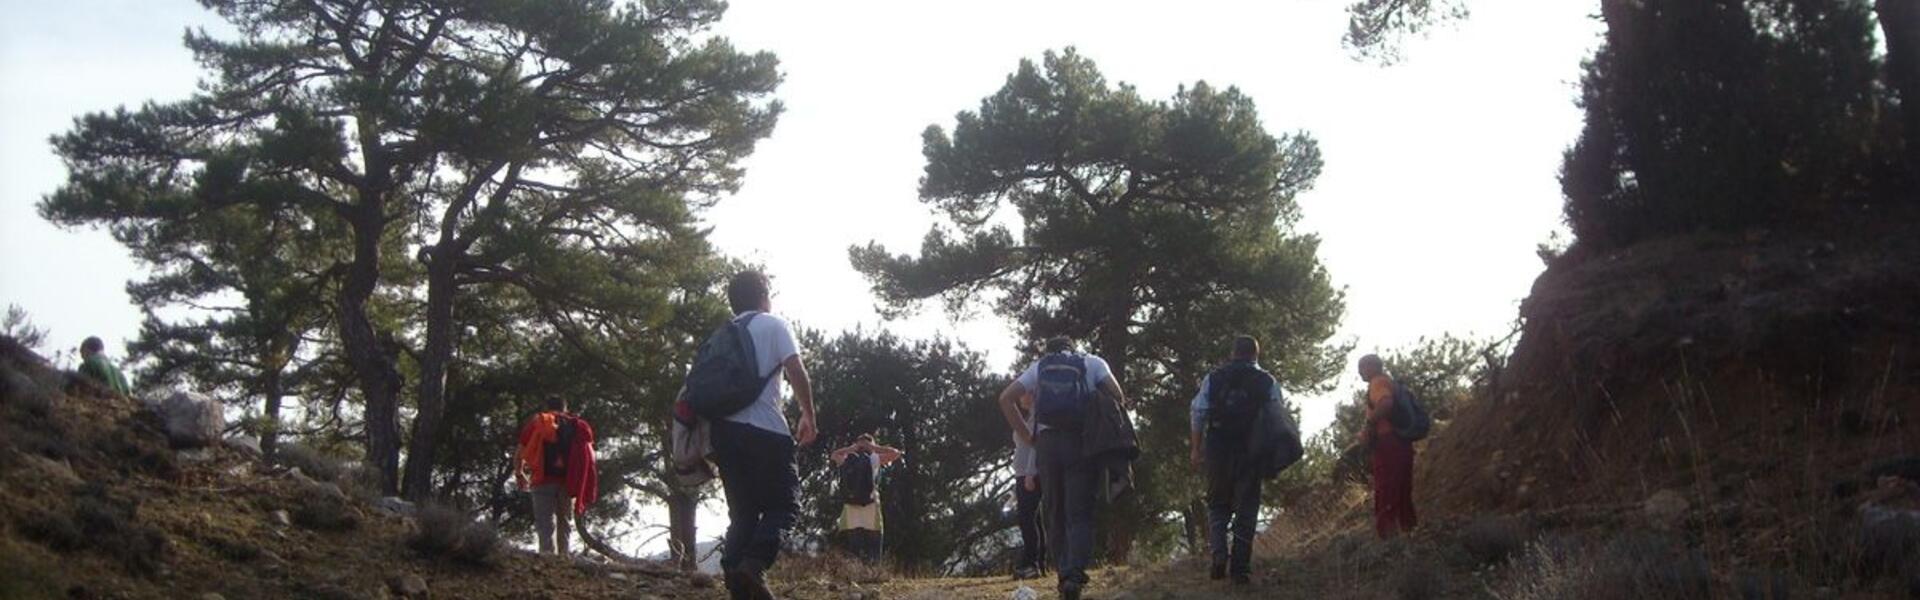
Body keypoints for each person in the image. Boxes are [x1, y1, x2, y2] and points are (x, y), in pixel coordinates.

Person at [709, 270, 817, 600]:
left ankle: (735, 576)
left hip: (723, 432)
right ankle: (753, 566)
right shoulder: (773, 324)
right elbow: (796, 369)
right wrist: (808, 415)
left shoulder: (720, 334)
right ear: (764, 296)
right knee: (784, 507)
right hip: (766, 429)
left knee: (742, 512)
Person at [996, 336, 1129, 600]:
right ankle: (1073, 576)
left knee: (1054, 512)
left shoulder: (1040, 367)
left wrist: (1027, 437)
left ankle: (1062, 576)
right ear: (1072, 348)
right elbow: (1118, 396)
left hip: (1047, 445)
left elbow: (1005, 398)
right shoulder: (1092, 363)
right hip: (1081, 442)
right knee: (1079, 513)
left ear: (1052, 350)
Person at [1189, 336, 1283, 584]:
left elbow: (1198, 412)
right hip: (1252, 449)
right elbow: (1277, 417)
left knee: (1217, 503)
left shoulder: (1214, 378)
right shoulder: (1267, 381)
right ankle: (1240, 569)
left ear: (1233, 353)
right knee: (1247, 508)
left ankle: (1219, 554)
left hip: (1218, 447)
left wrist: (1196, 449)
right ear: (1256, 354)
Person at [514, 397, 600, 556]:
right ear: (565, 408)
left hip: (541, 479)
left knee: (545, 522)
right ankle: (564, 557)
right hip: (568, 481)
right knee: (564, 522)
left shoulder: (538, 422)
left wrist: (519, 473)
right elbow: (589, 457)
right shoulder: (578, 426)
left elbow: (520, 451)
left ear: (546, 407)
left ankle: (547, 556)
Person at [1359, 354, 1417, 539]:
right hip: (1402, 441)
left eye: (1361, 367)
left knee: (1386, 489)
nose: (1359, 372)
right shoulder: (1391, 383)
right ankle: (1409, 531)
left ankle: (1388, 537)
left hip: (1387, 442)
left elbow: (1385, 403)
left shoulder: (1377, 383)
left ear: (1370, 367)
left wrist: (1369, 424)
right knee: (1402, 488)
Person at [829, 433, 903, 564]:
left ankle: (854, 574)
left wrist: (851, 448)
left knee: (853, 549)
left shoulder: (846, 460)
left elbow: (834, 455)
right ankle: (873, 573)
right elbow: (896, 453)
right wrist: (875, 447)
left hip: (851, 508)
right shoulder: (874, 459)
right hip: (871, 506)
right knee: (874, 545)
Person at [1011, 393, 1046, 580]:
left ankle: (1031, 563)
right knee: (1035, 519)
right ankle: (1039, 562)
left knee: (1027, 519)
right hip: (1023, 473)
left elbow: (1035, 447)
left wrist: (1031, 473)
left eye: (1024, 393)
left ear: (1032, 395)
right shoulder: (1030, 417)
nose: (1020, 397)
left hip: (1029, 474)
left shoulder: (1036, 418)